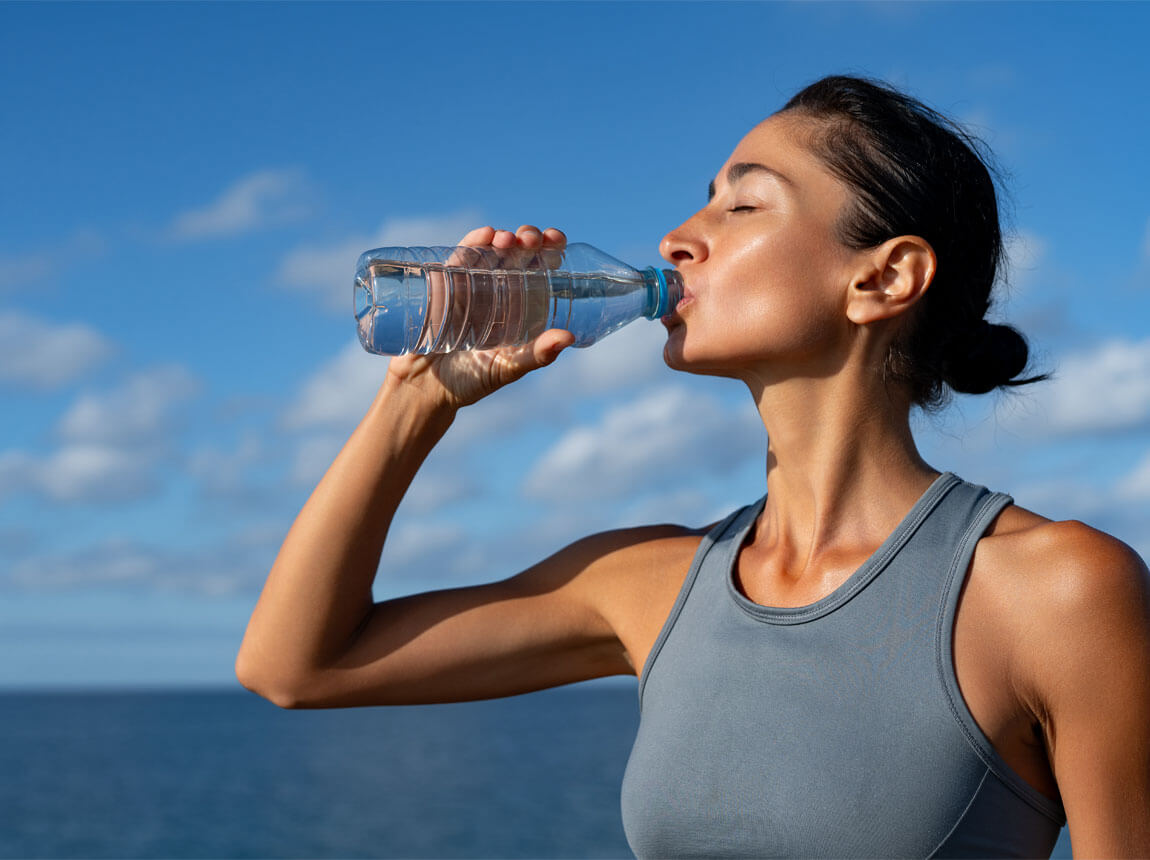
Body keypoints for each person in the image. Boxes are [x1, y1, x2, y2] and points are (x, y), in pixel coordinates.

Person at [236, 76, 1150, 857]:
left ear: (884, 278)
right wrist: (417, 399)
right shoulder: (649, 583)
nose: (677, 236)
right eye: (703, 199)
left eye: (742, 205)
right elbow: (297, 666)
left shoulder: (1054, 590)